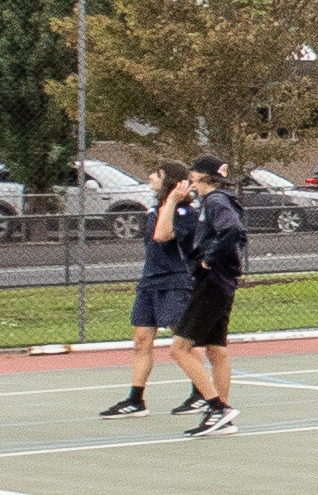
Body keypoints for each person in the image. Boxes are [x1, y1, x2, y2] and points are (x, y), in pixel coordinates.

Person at [168, 155, 250, 431]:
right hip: (221, 282)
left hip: (213, 282)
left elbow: (233, 229)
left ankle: (218, 407)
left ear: (200, 175)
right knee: (216, 350)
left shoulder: (215, 201)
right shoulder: (213, 201)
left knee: (179, 349)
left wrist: (209, 257)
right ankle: (223, 418)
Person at [101, 163, 187, 412]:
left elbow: (163, 235)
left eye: (157, 174)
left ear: (170, 180)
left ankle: (201, 393)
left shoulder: (183, 211)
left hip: (175, 280)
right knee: (141, 339)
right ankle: (136, 399)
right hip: (150, 280)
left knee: (182, 340)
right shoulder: (153, 207)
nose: (150, 176)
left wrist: (171, 201)